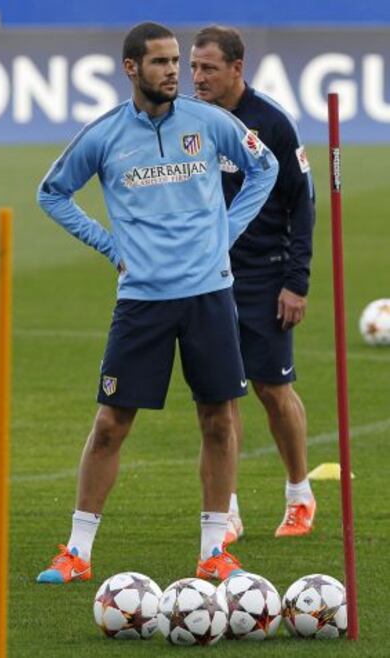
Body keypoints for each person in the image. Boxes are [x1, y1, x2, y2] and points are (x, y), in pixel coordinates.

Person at [36, 22, 278, 584]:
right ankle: (77, 551)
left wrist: (228, 230)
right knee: (112, 423)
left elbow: (263, 166)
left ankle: (214, 549)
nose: (174, 71)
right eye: (162, 62)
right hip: (142, 299)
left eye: (177, 61)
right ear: (131, 68)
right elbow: (51, 192)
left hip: (209, 294)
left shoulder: (211, 121)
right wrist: (108, 244)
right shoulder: (103, 136)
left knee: (218, 420)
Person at [190, 26, 316, 543]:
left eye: (208, 68)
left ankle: (299, 494)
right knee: (219, 394)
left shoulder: (272, 125)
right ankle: (230, 510)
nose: (196, 78)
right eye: (193, 67)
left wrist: (296, 282)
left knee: (272, 388)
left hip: (265, 274)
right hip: (207, 273)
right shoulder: (189, 121)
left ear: (237, 68)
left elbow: (302, 205)